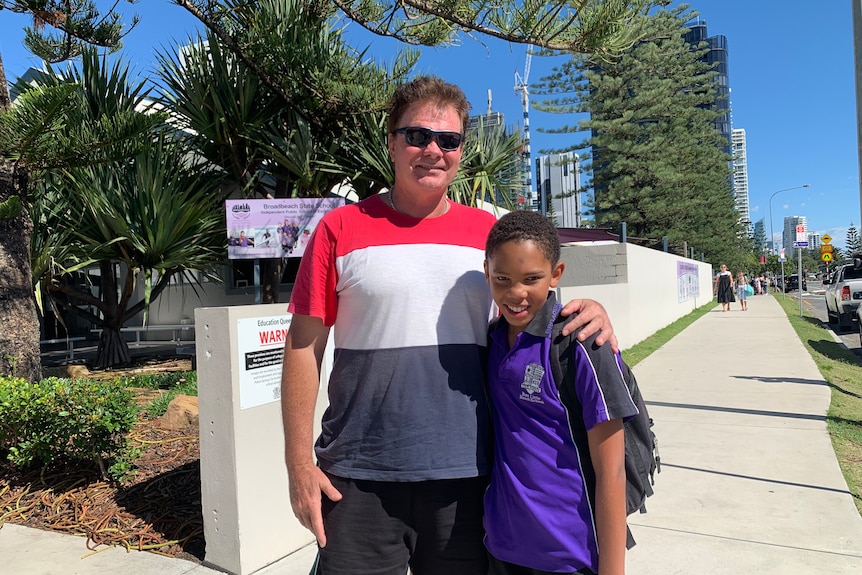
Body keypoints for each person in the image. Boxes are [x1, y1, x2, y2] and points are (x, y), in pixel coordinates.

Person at [280, 76, 618, 575]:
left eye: (449, 140)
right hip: (356, 476)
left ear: (461, 149)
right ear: (392, 141)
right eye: (417, 135)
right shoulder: (339, 229)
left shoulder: (488, 236)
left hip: (469, 479)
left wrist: (594, 312)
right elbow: (302, 348)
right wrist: (298, 467)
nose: (433, 150)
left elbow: (535, 305)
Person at [483, 211, 636, 575]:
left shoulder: (581, 343)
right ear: (486, 272)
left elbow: (612, 470)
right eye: (502, 278)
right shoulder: (489, 340)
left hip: (570, 556)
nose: (516, 293)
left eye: (531, 279)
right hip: (500, 548)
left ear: (556, 274)